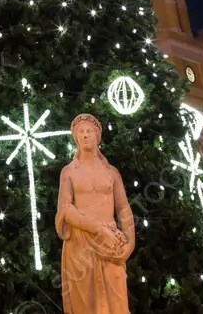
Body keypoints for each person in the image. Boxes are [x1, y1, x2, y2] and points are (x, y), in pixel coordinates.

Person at [56, 113, 135, 314]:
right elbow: (65, 209)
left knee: (118, 305)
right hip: (80, 245)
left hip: (112, 245)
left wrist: (130, 243)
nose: (85, 135)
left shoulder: (112, 172)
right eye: (80, 132)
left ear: (97, 136)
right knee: (86, 306)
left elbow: (124, 208)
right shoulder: (69, 172)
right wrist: (98, 230)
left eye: (89, 131)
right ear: (75, 137)